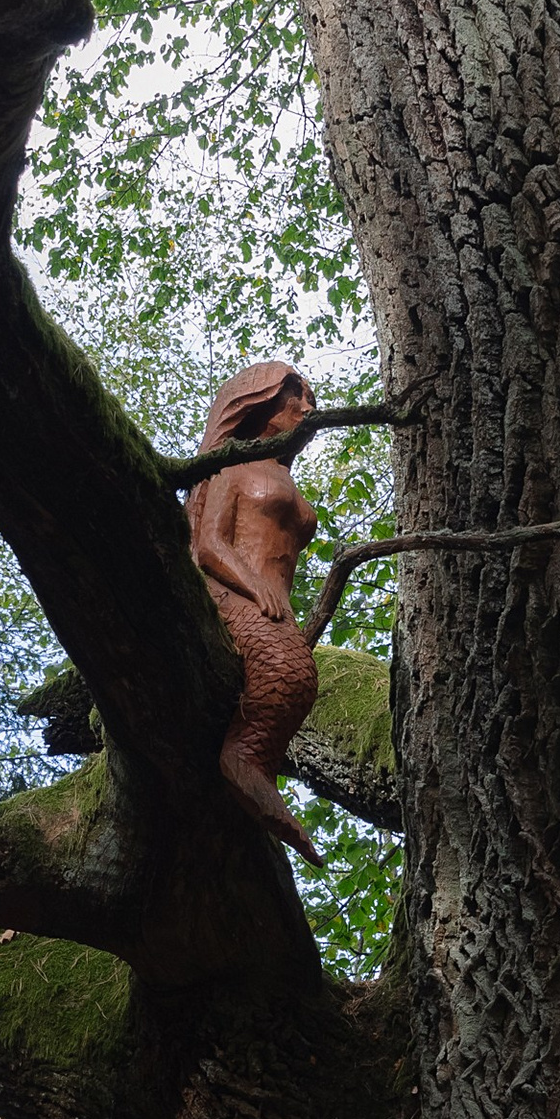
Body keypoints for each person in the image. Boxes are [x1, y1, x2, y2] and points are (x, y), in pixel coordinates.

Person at [184, 359, 325, 864]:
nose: (307, 408)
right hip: (235, 593)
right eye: (295, 397)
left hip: (273, 607)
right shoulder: (232, 466)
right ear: (260, 404)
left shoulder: (280, 475)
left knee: (295, 674)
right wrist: (251, 586)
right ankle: (244, 760)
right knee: (290, 671)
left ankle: (255, 764)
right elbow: (208, 545)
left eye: (312, 400)